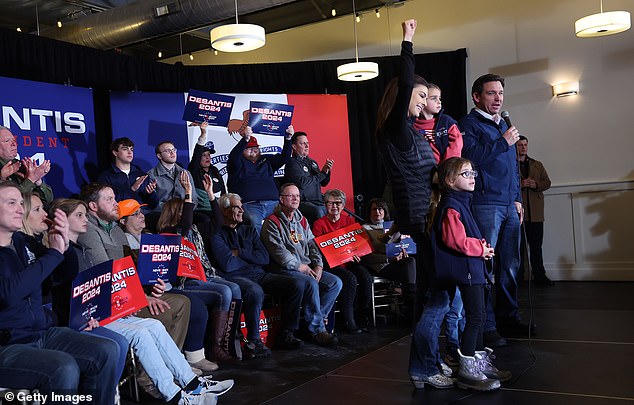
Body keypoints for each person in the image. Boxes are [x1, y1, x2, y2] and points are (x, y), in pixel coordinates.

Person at [53, 197, 234, 404]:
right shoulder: (64, 252)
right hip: (84, 321)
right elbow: (70, 295)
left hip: (106, 312)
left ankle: (191, 384)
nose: (85, 219)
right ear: (61, 220)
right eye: (79, 215)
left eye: (85, 215)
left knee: (154, 326)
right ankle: (174, 396)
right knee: (141, 333)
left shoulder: (82, 250)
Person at [374, 19, 450, 389]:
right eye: (420, 97)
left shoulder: (414, 134)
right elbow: (406, 82)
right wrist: (408, 40)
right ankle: (423, 367)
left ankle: (430, 361)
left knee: (433, 297)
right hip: (418, 223)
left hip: (427, 221)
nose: (425, 102)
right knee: (432, 299)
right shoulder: (397, 130)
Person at [0, 181, 119, 405]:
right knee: (63, 367)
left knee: (107, 350)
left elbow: (60, 275)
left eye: (20, 203)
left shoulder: (22, 242)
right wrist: (55, 253)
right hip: (7, 345)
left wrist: (64, 244)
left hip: (40, 334)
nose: (19, 209)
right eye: (11, 203)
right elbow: (9, 292)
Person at [459, 73, 534, 347]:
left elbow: (513, 168)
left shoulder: (503, 124)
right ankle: (487, 325)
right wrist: (503, 141)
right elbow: (472, 158)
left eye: (500, 93)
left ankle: (508, 318)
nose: (498, 98)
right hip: (485, 203)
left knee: (510, 266)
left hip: (509, 204)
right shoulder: (468, 124)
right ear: (477, 97)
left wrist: (517, 198)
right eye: (491, 93)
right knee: (486, 266)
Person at [433, 157, 512, 391]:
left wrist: (482, 248)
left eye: (472, 173)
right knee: (476, 316)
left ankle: (478, 362)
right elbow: (454, 240)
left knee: (477, 315)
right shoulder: (451, 206)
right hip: (465, 270)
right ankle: (468, 370)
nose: (472, 178)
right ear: (449, 180)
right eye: (465, 174)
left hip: (473, 267)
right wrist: (480, 248)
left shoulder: (463, 203)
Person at [156, 172, 246, 363]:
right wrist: (188, 191)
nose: (190, 211)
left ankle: (228, 342)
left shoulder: (195, 229)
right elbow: (186, 223)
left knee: (235, 288)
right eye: (184, 209)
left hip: (205, 274)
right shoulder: (169, 233)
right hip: (185, 281)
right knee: (224, 292)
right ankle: (215, 347)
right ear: (175, 213)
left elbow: (219, 222)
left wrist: (211, 194)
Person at [212, 192, 307, 350]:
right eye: (237, 207)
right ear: (224, 210)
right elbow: (228, 264)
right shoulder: (217, 235)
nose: (242, 210)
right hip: (234, 277)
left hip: (259, 274)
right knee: (254, 291)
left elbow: (264, 258)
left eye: (242, 207)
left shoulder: (248, 230)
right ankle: (254, 340)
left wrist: (240, 253)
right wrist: (250, 258)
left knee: (296, 284)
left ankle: (286, 333)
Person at [260, 183, 341, 346]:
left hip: (306, 267)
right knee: (310, 282)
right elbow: (279, 252)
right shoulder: (272, 222)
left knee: (335, 283)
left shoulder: (302, 220)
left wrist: (318, 265)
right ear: (281, 199)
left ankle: (310, 325)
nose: (296, 198)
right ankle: (318, 331)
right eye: (291, 196)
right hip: (283, 270)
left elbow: (312, 245)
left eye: (297, 196)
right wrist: (300, 267)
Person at [312, 189, 373, 333]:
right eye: (331, 203)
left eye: (338, 203)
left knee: (366, 277)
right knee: (350, 279)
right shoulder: (319, 224)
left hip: (350, 261)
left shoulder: (349, 220)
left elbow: (356, 243)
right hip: (331, 264)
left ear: (343, 204)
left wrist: (357, 254)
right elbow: (317, 249)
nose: (334, 206)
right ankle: (348, 321)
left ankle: (362, 316)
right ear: (325, 205)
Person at [226, 125, 293, 233]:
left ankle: (285, 247)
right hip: (251, 205)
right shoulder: (237, 163)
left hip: (274, 204)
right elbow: (233, 157)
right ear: (243, 149)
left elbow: (284, 158)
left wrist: (288, 138)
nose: (253, 150)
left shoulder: (266, 160)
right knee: (253, 221)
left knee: (288, 220)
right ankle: (259, 249)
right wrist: (245, 140)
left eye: (255, 147)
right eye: (249, 148)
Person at [361, 198, 417, 323]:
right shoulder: (363, 229)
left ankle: (411, 306)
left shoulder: (393, 226)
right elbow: (366, 257)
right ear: (369, 212)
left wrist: (403, 251)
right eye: (374, 209)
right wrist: (389, 258)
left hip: (398, 262)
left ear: (385, 211)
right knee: (410, 273)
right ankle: (412, 308)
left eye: (380, 209)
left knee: (412, 261)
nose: (377, 212)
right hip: (380, 265)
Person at [517, 135, 553, 286]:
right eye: (520, 145)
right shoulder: (510, 164)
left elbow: (547, 182)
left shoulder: (537, 164)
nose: (523, 147)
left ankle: (540, 276)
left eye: (525, 144)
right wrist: (521, 183)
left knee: (536, 246)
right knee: (518, 248)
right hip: (518, 213)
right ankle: (519, 277)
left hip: (536, 213)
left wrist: (536, 184)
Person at [283, 131, 333, 225]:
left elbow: (323, 182)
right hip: (303, 202)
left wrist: (327, 171)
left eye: (307, 143)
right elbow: (303, 183)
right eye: (302, 143)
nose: (307, 146)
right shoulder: (292, 163)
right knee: (319, 211)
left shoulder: (312, 162)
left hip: (318, 201)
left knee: (333, 208)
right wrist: (322, 174)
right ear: (294, 146)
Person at [0, 126, 53, 205]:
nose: (14, 144)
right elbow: (12, 200)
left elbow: (48, 199)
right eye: (7, 141)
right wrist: (31, 179)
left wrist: (38, 181)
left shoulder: (21, 166)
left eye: (14, 140)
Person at [413, 83, 463, 164]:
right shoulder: (412, 125)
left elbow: (456, 144)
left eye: (439, 98)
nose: (439, 102)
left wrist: (446, 167)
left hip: (445, 168)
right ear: (422, 101)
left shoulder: (446, 122)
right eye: (433, 98)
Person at [187, 122, 226, 208]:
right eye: (204, 155)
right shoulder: (194, 170)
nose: (207, 157)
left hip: (218, 207)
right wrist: (203, 134)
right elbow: (197, 154)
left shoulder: (215, 171)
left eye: (208, 155)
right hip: (201, 208)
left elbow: (223, 191)